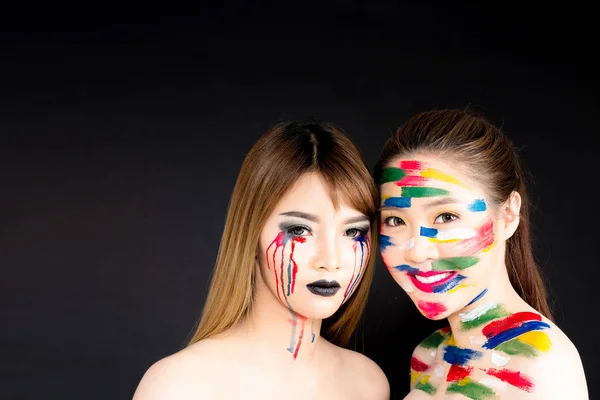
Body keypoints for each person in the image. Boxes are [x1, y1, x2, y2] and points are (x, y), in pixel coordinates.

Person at [133, 120, 390, 399]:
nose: (330, 259)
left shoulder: (367, 383)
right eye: (299, 230)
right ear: (250, 233)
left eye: (352, 232)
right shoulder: (180, 386)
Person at [375, 108, 588, 399]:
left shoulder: (542, 365)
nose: (417, 251)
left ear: (509, 215)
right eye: (395, 221)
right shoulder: (427, 356)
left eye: (446, 216)